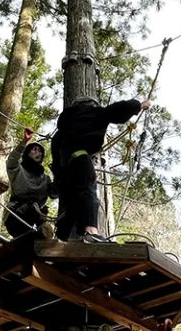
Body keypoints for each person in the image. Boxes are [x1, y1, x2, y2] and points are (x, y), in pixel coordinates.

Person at [51, 96, 151, 242]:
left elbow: (55, 156)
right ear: (91, 105)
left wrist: (58, 181)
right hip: (81, 158)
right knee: (88, 191)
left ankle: (61, 237)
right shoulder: (93, 113)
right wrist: (139, 105)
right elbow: (116, 110)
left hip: (66, 169)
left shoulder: (61, 130)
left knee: (71, 204)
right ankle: (90, 231)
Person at [4, 128, 56, 238]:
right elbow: (12, 161)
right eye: (35, 150)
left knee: (43, 232)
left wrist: (59, 174)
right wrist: (24, 142)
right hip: (16, 216)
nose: (39, 152)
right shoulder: (17, 170)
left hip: (35, 220)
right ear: (27, 154)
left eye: (40, 151)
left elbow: (54, 194)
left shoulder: (45, 179)